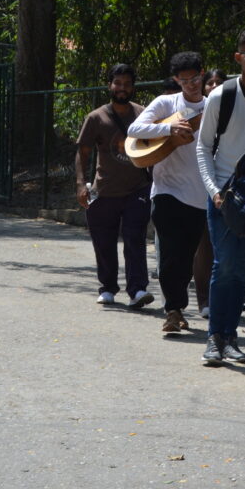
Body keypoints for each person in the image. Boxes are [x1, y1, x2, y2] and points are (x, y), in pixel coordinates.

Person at [196, 27, 245, 366]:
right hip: (225, 197)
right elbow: (203, 146)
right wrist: (213, 190)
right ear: (238, 58)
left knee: (242, 269)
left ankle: (230, 336)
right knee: (224, 265)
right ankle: (215, 337)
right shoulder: (221, 96)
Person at [127, 51, 209, 334]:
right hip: (166, 190)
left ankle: (178, 307)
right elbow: (134, 128)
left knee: (185, 257)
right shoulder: (166, 103)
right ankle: (172, 310)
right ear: (176, 79)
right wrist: (168, 127)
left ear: (203, 73)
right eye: (184, 80)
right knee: (169, 251)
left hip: (199, 194)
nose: (191, 84)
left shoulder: (212, 108)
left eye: (195, 78)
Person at [75, 63, 154, 308]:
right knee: (104, 241)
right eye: (117, 83)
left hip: (137, 189)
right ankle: (107, 287)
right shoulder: (96, 117)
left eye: (127, 84)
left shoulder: (143, 114)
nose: (122, 88)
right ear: (109, 85)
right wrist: (80, 184)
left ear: (133, 87)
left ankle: (137, 290)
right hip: (105, 190)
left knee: (135, 239)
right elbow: (82, 152)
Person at [193, 68, 228, 319]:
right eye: (210, 82)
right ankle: (203, 300)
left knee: (222, 251)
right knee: (204, 247)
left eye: (219, 82)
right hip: (200, 186)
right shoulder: (195, 110)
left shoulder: (233, 105)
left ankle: (225, 300)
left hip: (228, 188)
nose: (214, 86)